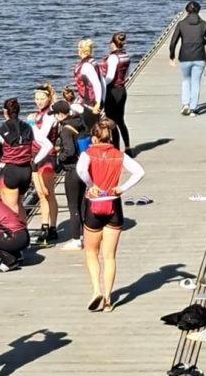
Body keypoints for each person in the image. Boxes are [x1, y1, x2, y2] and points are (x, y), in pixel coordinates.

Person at [76, 118, 145, 312]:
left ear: (94, 138)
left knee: (91, 252)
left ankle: (96, 290)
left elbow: (81, 170)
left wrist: (91, 185)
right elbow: (139, 172)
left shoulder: (88, 154)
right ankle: (108, 299)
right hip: (113, 204)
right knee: (109, 256)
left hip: (94, 205)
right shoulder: (119, 155)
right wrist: (122, 188)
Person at [0, 97, 51, 218]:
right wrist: (34, 160)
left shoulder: (0, 131)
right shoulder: (29, 127)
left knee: (11, 209)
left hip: (10, 172)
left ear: (5, 112)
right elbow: (47, 145)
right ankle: (24, 229)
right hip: (26, 171)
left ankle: (15, 230)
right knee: (19, 204)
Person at [167, 1, 206, 116]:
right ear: (198, 10)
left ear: (187, 11)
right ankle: (193, 109)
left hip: (185, 57)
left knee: (186, 80)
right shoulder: (203, 24)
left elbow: (173, 43)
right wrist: (201, 42)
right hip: (200, 57)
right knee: (196, 82)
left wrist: (172, 55)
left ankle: (185, 104)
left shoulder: (181, 24)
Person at [53, 99, 88, 250]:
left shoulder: (66, 129)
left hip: (72, 170)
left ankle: (76, 239)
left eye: (55, 114)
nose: (54, 117)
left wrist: (59, 158)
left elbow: (69, 151)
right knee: (82, 204)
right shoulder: (80, 122)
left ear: (61, 114)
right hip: (84, 168)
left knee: (73, 206)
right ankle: (85, 236)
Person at [29, 85, 61, 246]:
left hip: (47, 156)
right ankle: (44, 225)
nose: (39, 102)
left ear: (49, 98)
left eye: (42, 99)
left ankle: (53, 227)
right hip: (34, 156)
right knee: (40, 194)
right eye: (37, 99)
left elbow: (42, 135)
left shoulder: (50, 116)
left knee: (49, 193)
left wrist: (30, 123)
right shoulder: (37, 115)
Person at [101, 32, 132, 153]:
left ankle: (116, 149)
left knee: (111, 121)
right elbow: (128, 74)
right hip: (122, 90)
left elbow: (110, 77)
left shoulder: (113, 58)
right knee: (121, 120)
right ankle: (128, 148)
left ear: (113, 44)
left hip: (113, 91)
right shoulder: (126, 56)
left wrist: (101, 84)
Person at [72, 39, 104, 116]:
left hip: (90, 102)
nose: (77, 51)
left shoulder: (86, 66)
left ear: (81, 50)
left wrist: (98, 103)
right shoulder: (93, 62)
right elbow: (102, 81)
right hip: (88, 100)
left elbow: (97, 84)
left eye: (78, 49)